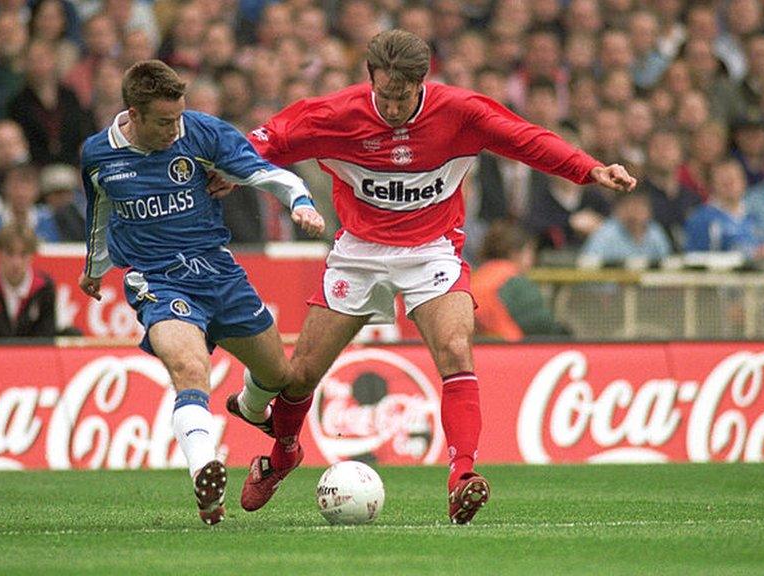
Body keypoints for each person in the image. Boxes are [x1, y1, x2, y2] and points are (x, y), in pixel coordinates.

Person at [227, 30, 636, 524]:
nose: (393, 107)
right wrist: (227, 170)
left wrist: (588, 169)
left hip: (432, 250)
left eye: (402, 97)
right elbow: (265, 140)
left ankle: (462, 475)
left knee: (457, 350)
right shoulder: (332, 114)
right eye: (383, 95)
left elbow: (527, 139)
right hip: (359, 252)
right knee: (300, 375)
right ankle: (284, 453)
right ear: (370, 80)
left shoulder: (461, 113)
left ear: (422, 83)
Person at [77, 60, 325, 525]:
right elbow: (100, 215)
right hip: (157, 278)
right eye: (165, 121)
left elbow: (265, 172)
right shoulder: (98, 155)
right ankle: (206, 472)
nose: (176, 128)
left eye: (180, 116)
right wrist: (94, 269)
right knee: (190, 368)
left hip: (217, 272)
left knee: (279, 374)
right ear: (134, 113)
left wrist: (302, 203)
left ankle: (250, 408)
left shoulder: (201, 133)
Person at [471, 221, 569, 341]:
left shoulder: (478, 275)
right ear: (515, 253)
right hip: (508, 349)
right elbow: (538, 321)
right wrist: (564, 334)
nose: (532, 259)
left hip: (478, 347)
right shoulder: (513, 279)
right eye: (530, 251)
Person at [685, 160, 764, 259]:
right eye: (724, 182)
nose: (730, 185)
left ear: (744, 182)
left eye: (734, 179)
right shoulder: (701, 219)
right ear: (712, 185)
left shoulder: (753, 217)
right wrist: (749, 256)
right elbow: (694, 259)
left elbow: (761, 247)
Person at [0, 164, 60, 247]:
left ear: (37, 191)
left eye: (27, 188)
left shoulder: (48, 223)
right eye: (15, 187)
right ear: (5, 189)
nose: (21, 193)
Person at [581, 192, 672, 261]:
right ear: (618, 209)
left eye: (640, 206)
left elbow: (667, 266)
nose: (634, 211)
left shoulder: (655, 232)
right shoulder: (605, 234)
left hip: (648, 285)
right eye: (629, 205)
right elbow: (589, 268)